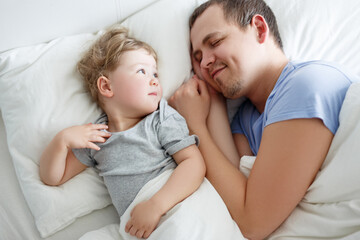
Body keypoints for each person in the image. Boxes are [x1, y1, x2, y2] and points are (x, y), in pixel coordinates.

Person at [168, 0, 358, 239]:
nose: (205, 62)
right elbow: (233, 193)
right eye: (198, 57)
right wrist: (213, 97)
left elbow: (252, 223)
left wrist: (194, 126)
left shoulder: (305, 84)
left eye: (214, 42)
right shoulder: (245, 120)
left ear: (259, 29)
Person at [39, 27, 205, 239]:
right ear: (106, 87)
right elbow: (52, 177)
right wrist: (61, 141)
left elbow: (194, 164)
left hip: (173, 206)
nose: (154, 80)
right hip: (136, 224)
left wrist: (156, 205)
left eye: (155, 73)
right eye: (141, 72)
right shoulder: (96, 136)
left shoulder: (161, 118)